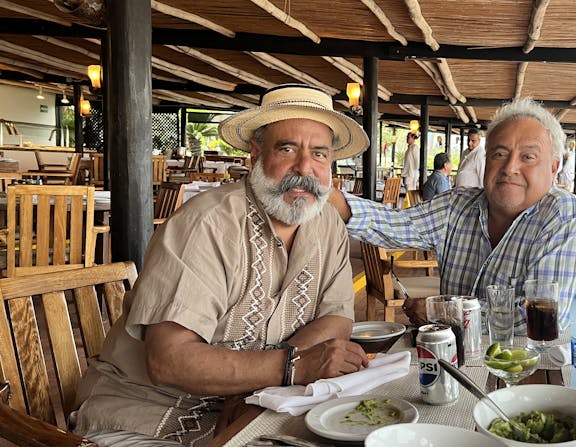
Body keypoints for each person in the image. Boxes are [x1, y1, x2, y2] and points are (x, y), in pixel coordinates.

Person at [73, 84, 370, 447]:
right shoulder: (207, 224)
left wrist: (261, 381)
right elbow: (169, 360)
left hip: (255, 406)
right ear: (256, 153)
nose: (304, 168)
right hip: (143, 415)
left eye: (319, 154)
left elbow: (336, 318)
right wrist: (290, 369)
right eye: (287, 148)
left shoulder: (327, 224)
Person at [329, 98, 576, 333]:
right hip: (457, 360)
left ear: (553, 168)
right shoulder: (457, 205)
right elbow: (395, 224)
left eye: (528, 157)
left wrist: (443, 312)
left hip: (536, 371)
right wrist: (326, 196)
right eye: (499, 154)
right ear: (485, 161)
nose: (510, 167)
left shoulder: (566, 216)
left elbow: (540, 317)